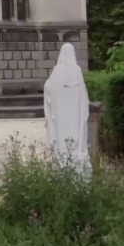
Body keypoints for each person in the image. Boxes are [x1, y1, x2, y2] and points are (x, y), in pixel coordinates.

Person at [43, 43, 92, 178]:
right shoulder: (77, 71)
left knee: (61, 144)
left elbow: (48, 92)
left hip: (60, 120)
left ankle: (62, 171)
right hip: (75, 119)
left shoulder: (55, 74)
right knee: (75, 144)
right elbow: (84, 98)